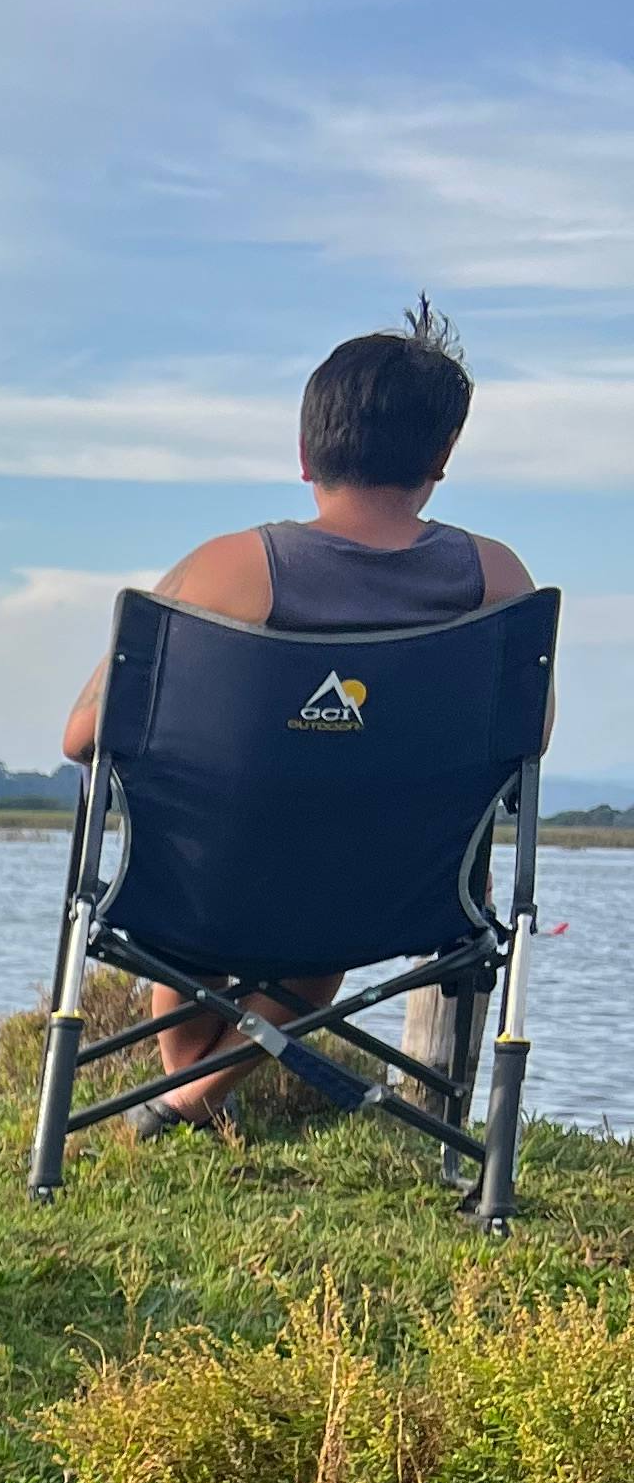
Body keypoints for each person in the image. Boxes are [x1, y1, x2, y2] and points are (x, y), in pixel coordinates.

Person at [60, 298, 538, 1134]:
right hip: (394, 897)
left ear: (306, 450)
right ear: (442, 455)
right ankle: (189, 1103)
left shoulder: (223, 572)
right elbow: (524, 747)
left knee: (193, 893)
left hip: (200, 886)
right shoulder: (499, 587)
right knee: (319, 934)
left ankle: (176, 1101)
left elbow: (81, 738)